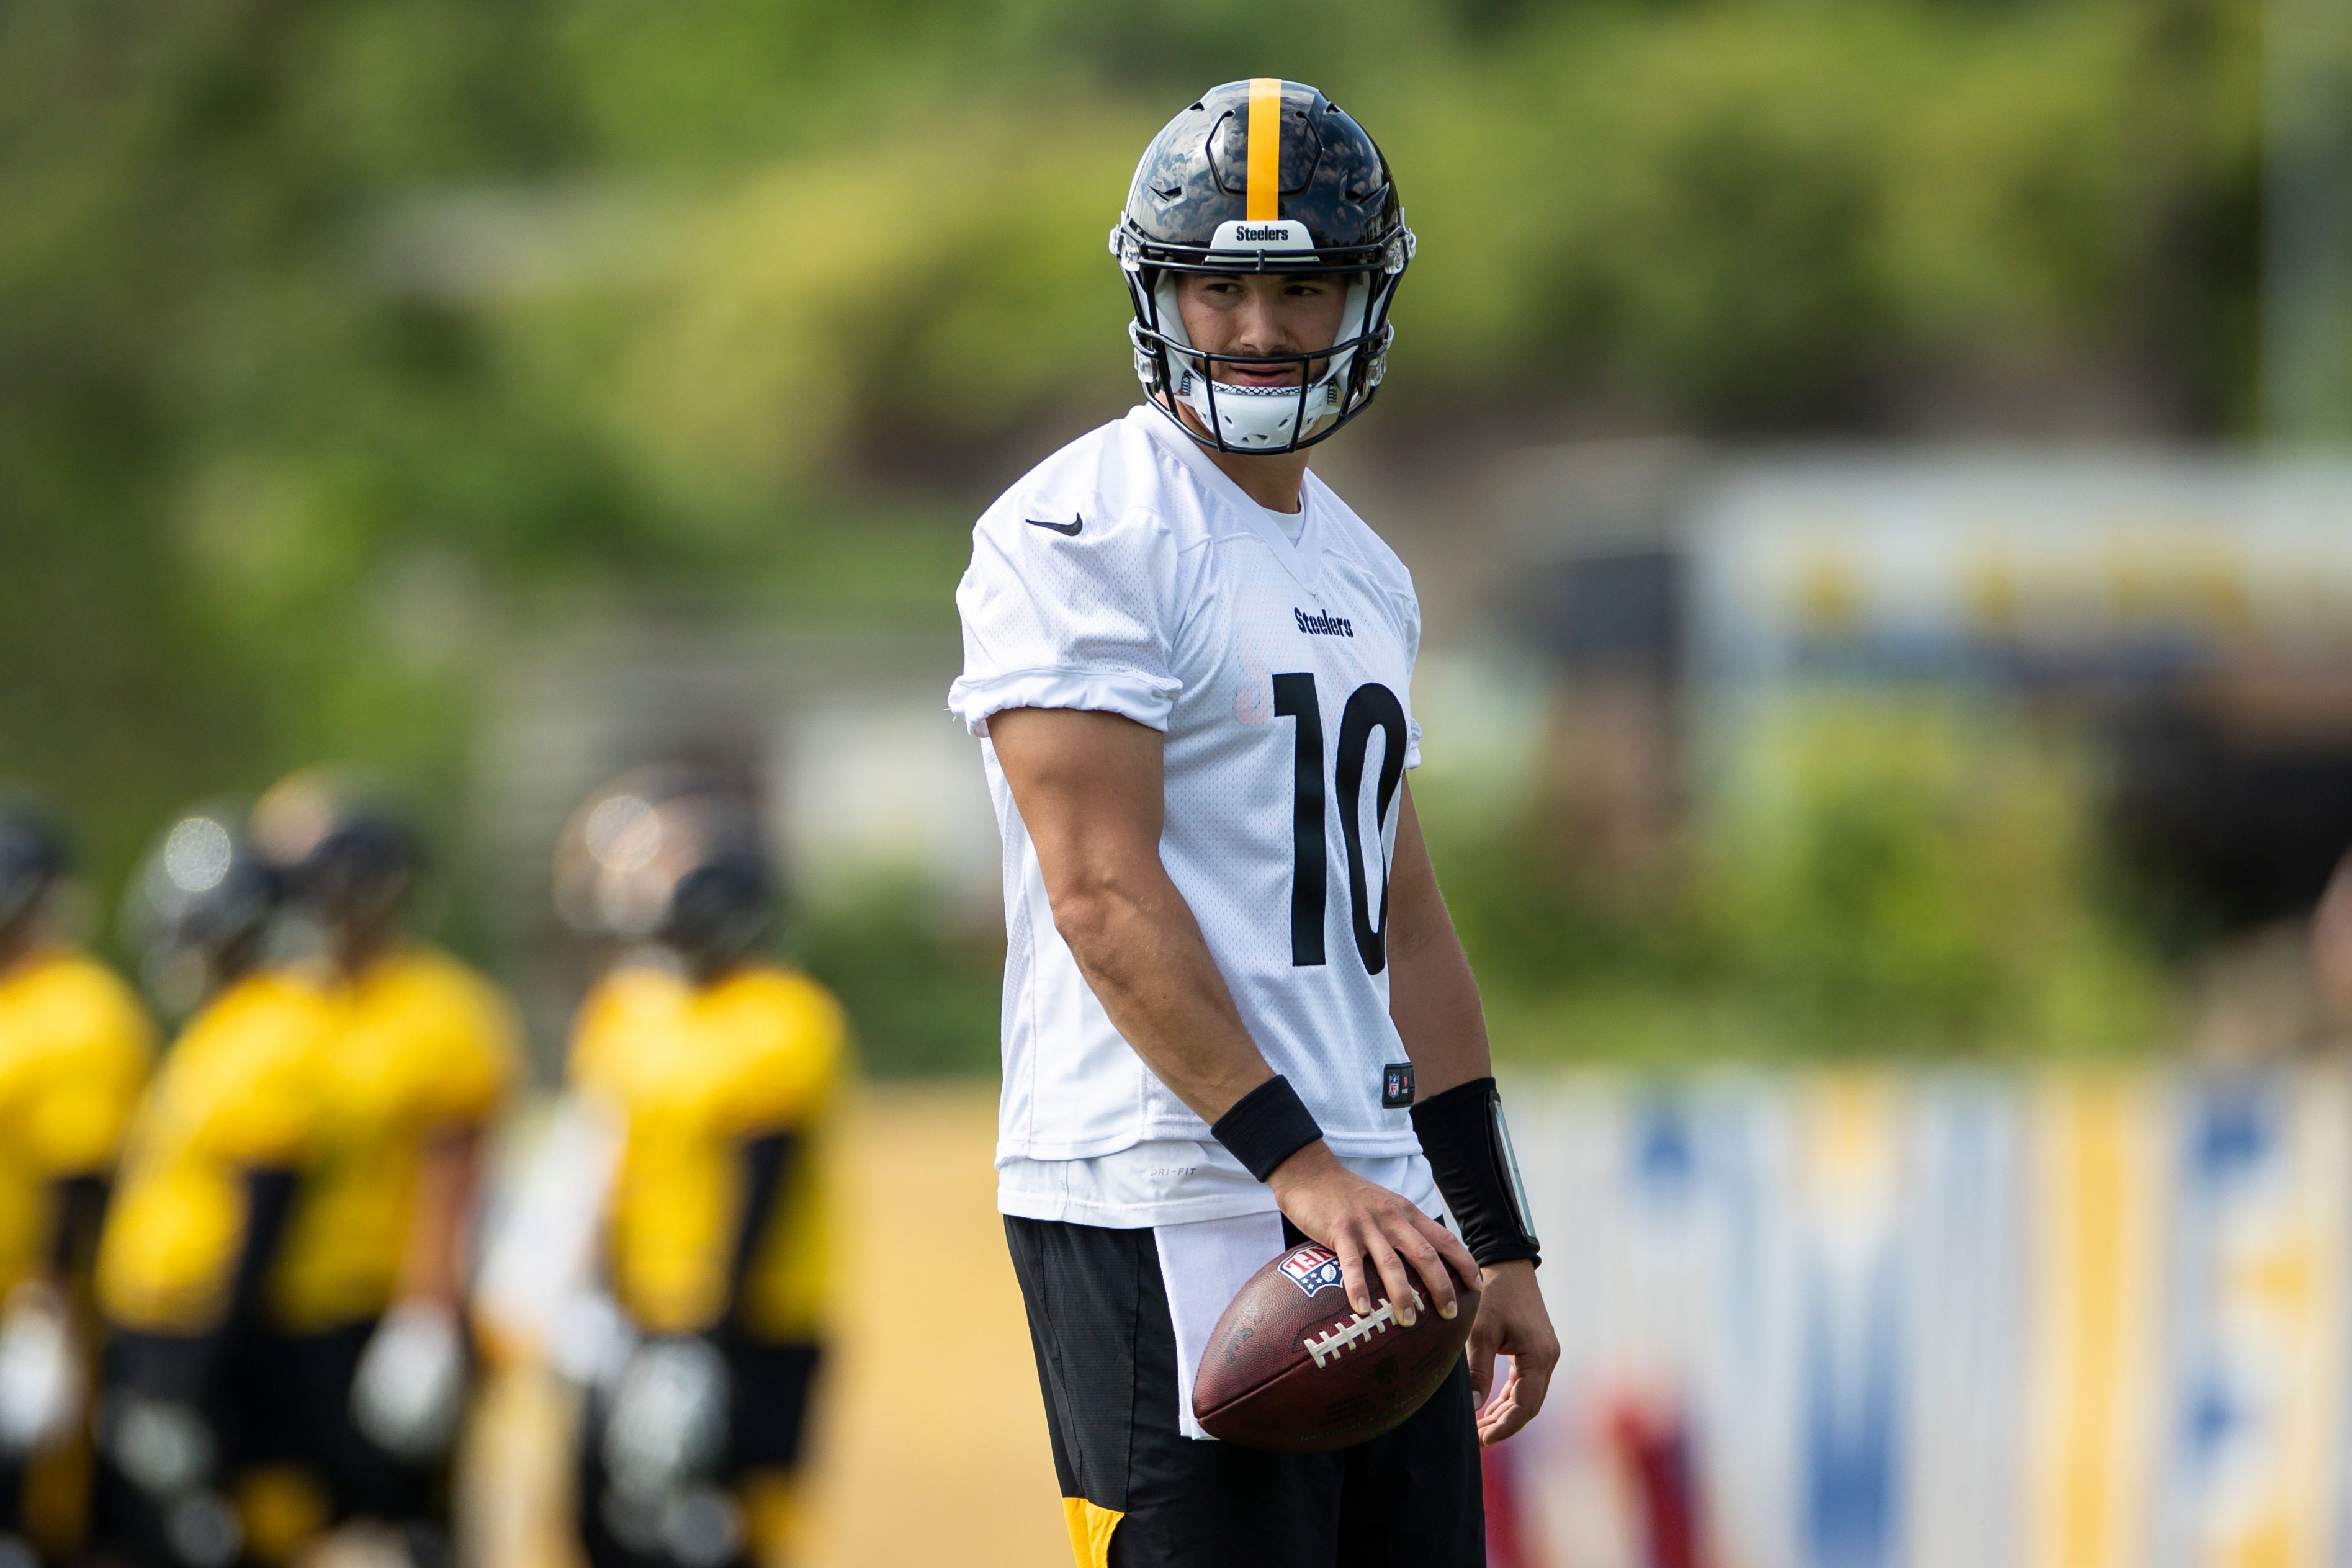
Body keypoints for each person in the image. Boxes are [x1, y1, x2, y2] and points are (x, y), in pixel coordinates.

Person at [947, 79, 1560, 1567]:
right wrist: (1298, 1172)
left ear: (1364, 296)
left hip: (1373, 1195)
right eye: (1222, 288)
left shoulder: (1365, 566)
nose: (1263, 328)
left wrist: (1493, 1231)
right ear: (1159, 295)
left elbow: (1402, 923)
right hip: (1170, 1180)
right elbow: (1096, 888)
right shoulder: (1080, 525)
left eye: (1303, 284)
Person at [550, 768, 846, 1568]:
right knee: (611, 1528)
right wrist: (601, 1300)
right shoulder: (633, 1011)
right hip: (646, 1312)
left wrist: (709, 1340)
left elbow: (763, 1189)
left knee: (727, 1533)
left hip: (751, 1323)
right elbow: (614, 1178)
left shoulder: (782, 1016)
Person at [238, 769, 521, 1568]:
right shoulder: (284, 1003)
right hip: (291, 1310)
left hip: (388, 1311)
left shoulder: (442, 1010)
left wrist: (426, 1315)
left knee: (405, 1533)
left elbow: (455, 1174)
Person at [97, 804, 328, 1568]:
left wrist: (199, 1371)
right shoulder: (219, 1027)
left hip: (213, 1333)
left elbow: (263, 1213)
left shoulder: (273, 1030)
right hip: (164, 1324)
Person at [0, 803, 155, 1568]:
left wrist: (46, 1306)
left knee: (47, 1519)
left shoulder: (78, 1009)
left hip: (48, 1315)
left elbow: (80, 1177)